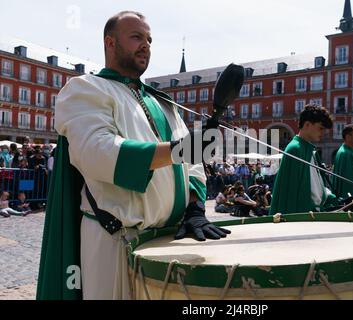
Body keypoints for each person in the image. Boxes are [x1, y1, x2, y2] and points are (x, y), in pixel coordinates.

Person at [37, 11, 229, 300]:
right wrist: (183, 149)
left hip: (168, 239)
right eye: (137, 37)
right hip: (116, 241)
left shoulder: (163, 103)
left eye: (149, 39)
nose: (146, 45)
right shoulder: (85, 89)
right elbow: (96, 152)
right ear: (110, 42)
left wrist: (194, 208)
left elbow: (191, 165)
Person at [270, 105, 337, 215]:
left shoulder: (308, 149)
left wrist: (330, 197)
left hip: (313, 213)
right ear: (307, 124)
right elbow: (292, 195)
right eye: (320, 128)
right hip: (305, 215)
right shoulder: (295, 149)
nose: (323, 132)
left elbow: (315, 185)